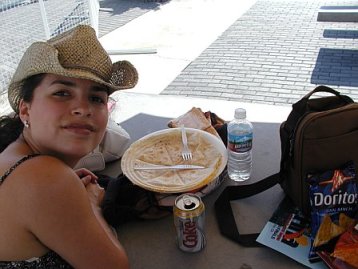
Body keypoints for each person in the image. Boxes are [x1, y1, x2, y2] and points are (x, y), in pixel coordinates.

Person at [0, 24, 138, 268]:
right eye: (62, 93)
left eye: (96, 98)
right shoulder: (45, 178)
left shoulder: (15, 157)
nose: (83, 109)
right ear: (25, 109)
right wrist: (92, 205)